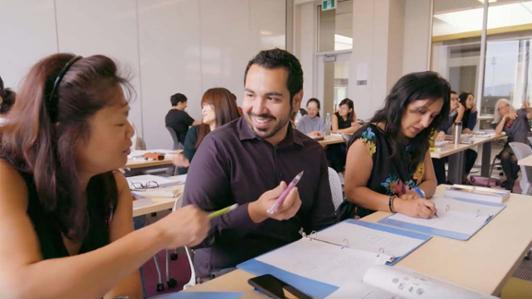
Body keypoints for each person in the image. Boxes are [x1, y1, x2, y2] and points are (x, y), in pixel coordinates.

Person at [0, 53, 210, 298]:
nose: (130, 131)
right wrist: (159, 234)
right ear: (67, 131)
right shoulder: (7, 177)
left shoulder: (113, 186)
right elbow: (19, 288)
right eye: (120, 121)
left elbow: (124, 289)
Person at [182, 48, 336, 280]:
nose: (257, 108)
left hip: (291, 268)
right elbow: (192, 233)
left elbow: (323, 224)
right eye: (250, 95)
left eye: (272, 98)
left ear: (296, 100)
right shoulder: (218, 147)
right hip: (229, 273)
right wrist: (255, 212)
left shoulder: (312, 152)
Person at [343, 71, 450, 219]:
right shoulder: (367, 139)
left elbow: (431, 181)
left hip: (405, 220)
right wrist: (400, 204)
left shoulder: (419, 138)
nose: (425, 123)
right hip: (367, 221)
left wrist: (414, 194)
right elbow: (352, 191)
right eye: (420, 111)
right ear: (400, 103)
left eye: (432, 116)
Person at [173, 87, 240, 172]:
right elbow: (184, 169)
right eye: (202, 106)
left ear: (222, 106)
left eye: (207, 105)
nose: (203, 110)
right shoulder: (195, 132)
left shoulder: (238, 133)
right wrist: (186, 164)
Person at [494, 98, 532, 190]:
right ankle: (511, 180)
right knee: (504, 156)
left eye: (506, 106)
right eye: (501, 108)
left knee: (515, 158)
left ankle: (510, 182)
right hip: (512, 144)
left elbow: (530, 115)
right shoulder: (504, 120)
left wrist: (527, 108)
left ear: (510, 105)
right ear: (499, 111)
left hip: (524, 143)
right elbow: (497, 132)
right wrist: (504, 118)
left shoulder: (519, 112)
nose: (505, 109)